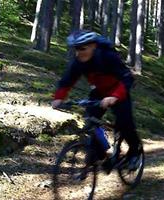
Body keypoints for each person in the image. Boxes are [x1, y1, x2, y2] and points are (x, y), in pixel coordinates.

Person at [52, 30, 142, 169]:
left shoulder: (108, 56)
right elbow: (66, 80)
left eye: (82, 48)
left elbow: (127, 78)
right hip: (99, 92)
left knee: (125, 123)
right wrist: (58, 99)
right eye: (76, 49)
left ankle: (134, 153)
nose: (79, 52)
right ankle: (99, 152)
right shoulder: (78, 62)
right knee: (91, 121)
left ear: (93, 46)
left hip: (119, 91)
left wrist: (115, 96)